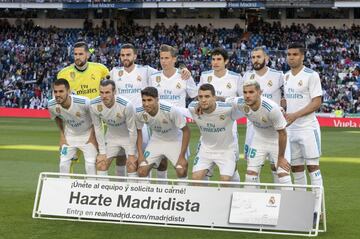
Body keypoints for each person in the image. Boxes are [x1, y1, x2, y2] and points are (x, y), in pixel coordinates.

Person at [110, 43, 191, 178]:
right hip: (122, 121)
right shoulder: (113, 72)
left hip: (142, 120)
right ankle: (125, 189)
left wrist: (183, 68)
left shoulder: (147, 71)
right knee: (123, 157)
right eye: (122, 55)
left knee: (145, 161)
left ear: (135, 56)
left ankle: (152, 189)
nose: (125, 57)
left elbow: (168, 70)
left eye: (128, 54)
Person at [284, 42, 324, 219]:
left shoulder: (311, 75)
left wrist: (295, 115)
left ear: (302, 56)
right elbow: (287, 101)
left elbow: (317, 102)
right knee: (296, 169)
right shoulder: (285, 76)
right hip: (291, 130)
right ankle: (302, 208)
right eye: (289, 54)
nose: (291, 57)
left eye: (294, 54)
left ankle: (317, 209)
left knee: (313, 167)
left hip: (308, 128)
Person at [229, 80, 292, 189]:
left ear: (259, 92)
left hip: (277, 140)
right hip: (259, 140)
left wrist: (281, 157)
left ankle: (289, 206)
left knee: (283, 175)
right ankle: (250, 205)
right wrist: (201, 105)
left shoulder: (271, 108)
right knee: (250, 175)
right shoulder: (240, 102)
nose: (247, 96)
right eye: (245, 92)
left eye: (251, 92)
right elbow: (223, 101)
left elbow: (282, 133)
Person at [56, 41, 109, 167]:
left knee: (94, 161)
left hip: (95, 121)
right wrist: (62, 134)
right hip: (74, 122)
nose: (77, 57)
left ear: (87, 55)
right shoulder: (64, 73)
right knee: (67, 161)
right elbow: (59, 101)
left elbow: (109, 89)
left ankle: (91, 185)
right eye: (75, 54)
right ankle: (67, 186)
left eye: (80, 54)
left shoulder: (100, 69)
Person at [242, 46, 289, 185]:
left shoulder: (278, 75)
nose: (255, 60)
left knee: (276, 166)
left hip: (273, 125)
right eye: (253, 57)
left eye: (258, 57)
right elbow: (242, 99)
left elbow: (286, 97)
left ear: (266, 59)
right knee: (253, 165)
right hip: (253, 126)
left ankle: (277, 198)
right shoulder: (246, 76)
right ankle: (256, 200)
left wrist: (284, 109)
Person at [198, 47, 243, 182]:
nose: (215, 62)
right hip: (209, 126)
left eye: (219, 59)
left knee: (232, 168)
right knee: (204, 168)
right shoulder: (205, 76)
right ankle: (205, 199)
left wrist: (221, 99)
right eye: (213, 59)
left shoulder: (235, 77)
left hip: (229, 127)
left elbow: (242, 100)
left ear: (226, 61)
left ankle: (236, 197)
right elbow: (199, 98)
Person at [187, 84, 243, 182]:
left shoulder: (228, 109)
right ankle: (204, 197)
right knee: (196, 178)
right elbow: (186, 108)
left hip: (226, 150)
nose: (203, 100)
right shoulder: (192, 108)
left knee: (225, 180)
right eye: (200, 97)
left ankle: (235, 184)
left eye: (207, 96)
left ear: (214, 98)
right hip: (206, 149)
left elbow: (247, 106)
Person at [135, 87, 189, 182]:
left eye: (149, 100)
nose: (146, 104)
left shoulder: (170, 110)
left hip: (175, 141)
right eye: (144, 100)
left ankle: (183, 196)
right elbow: (138, 131)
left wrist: (182, 156)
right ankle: (149, 195)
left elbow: (186, 131)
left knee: (181, 171)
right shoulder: (139, 112)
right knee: (142, 171)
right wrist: (140, 155)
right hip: (157, 140)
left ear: (157, 99)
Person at [89, 79, 138, 178]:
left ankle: (131, 192)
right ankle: (103, 192)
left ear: (114, 92)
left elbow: (132, 130)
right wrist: (102, 152)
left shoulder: (126, 105)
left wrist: (132, 154)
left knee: (132, 166)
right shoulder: (93, 104)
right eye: (101, 92)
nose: (104, 96)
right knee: (101, 164)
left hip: (128, 138)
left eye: (107, 92)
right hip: (111, 138)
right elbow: (98, 128)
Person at [48, 78, 97, 175]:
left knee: (90, 165)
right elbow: (57, 117)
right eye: (55, 91)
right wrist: (62, 136)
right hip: (70, 135)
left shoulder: (84, 102)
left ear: (68, 91)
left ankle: (92, 189)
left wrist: (93, 137)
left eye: (61, 91)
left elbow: (96, 119)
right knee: (63, 164)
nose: (57, 95)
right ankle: (65, 188)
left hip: (87, 134)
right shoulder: (51, 104)